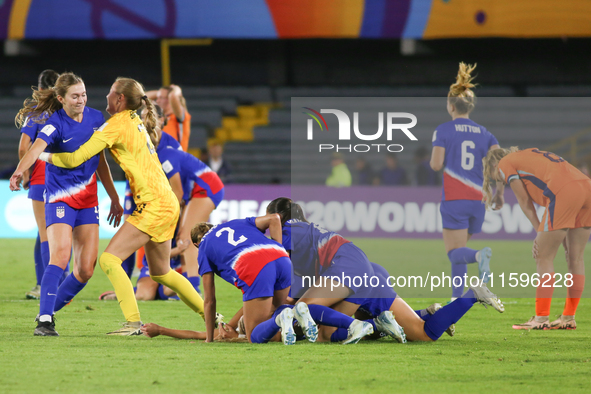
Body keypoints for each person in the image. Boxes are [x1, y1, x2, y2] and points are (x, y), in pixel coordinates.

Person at [36, 77, 207, 336]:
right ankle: (211, 314)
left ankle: (133, 323)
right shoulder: (136, 120)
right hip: (167, 201)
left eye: (110, 92)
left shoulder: (115, 126)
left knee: (108, 259)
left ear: (119, 99)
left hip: (152, 204)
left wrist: (41, 154)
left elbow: (74, 159)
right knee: (162, 272)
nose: (104, 96)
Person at [266, 197, 505, 343]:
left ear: (277, 219)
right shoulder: (306, 232)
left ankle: (470, 295)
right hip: (366, 270)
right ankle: (430, 312)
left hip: (351, 271)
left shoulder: (286, 234)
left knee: (320, 327)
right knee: (423, 333)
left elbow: (286, 294)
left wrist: (250, 320)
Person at [10, 72, 122, 336]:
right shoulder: (54, 122)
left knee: (85, 269)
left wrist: (114, 197)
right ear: (61, 99)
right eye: (75, 96)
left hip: (88, 199)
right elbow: (35, 148)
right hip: (60, 197)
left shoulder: (96, 118)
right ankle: (45, 320)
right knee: (60, 256)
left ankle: (46, 310)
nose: (81, 100)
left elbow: (101, 161)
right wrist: (18, 171)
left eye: (83, 94)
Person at [191, 217, 376, 345]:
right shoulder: (236, 222)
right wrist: (279, 247)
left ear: (196, 244)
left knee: (253, 335)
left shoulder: (204, 248)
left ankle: (281, 320)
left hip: (254, 267)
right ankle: (354, 325)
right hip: (281, 258)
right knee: (285, 307)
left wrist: (209, 338)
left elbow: (209, 300)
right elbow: (274, 219)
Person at [483, 147, 589, 330]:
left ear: (494, 164)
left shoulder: (504, 163)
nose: (497, 179)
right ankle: (568, 318)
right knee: (575, 258)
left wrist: (538, 232)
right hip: (586, 187)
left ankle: (540, 319)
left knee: (543, 256)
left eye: (493, 175)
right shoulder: (528, 154)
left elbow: (525, 202)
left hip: (563, 191)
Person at [430, 62, 504, 300]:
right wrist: (500, 192)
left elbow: (435, 164)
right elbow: (499, 168)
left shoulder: (443, 130)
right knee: (459, 248)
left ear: (451, 106)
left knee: (455, 252)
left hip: (454, 198)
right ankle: (456, 296)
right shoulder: (487, 133)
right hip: (480, 200)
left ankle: (479, 256)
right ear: (470, 106)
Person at [18, 69, 59, 299]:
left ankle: (49, 287)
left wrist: (24, 174)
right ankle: (53, 283)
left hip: (42, 177)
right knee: (60, 231)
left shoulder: (35, 112)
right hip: (65, 179)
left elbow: (24, 147)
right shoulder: (66, 111)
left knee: (45, 233)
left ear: (40, 89)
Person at [147, 84, 191, 151]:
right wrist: (160, 92)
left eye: (161, 98)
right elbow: (142, 98)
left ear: (169, 99)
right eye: (157, 98)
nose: (157, 101)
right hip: (161, 157)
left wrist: (177, 89)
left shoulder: (179, 117)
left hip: (176, 158)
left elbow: (173, 96)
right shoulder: (159, 117)